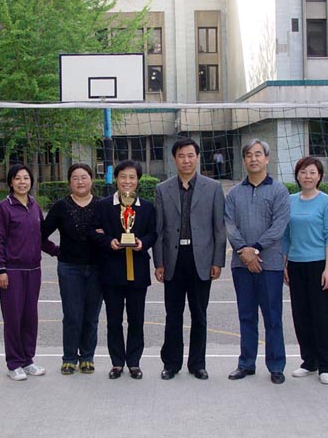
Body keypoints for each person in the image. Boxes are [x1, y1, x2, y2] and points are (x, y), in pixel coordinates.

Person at [154, 138, 226, 381]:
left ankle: (198, 364)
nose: (186, 160)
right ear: (174, 159)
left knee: (199, 315)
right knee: (173, 315)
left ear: (197, 157)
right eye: (181, 156)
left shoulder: (213, 187)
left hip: (201, 260)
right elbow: (159, 230)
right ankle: (171, 364)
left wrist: (217, 261)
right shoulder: (162, 189)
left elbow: (219, 228)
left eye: (190, 155)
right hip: (173, 260)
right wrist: (159, 263)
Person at [224, 139, 290, 385]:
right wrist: (243, 250)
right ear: (244, 160)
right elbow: (229, 224)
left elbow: (279, 226)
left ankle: (276, 365)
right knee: (246, 315)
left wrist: (256, 249)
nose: (254, 159)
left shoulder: (279, 191)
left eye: (258, 154)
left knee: (272, 317)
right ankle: (246, 363)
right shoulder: (234, 193)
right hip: (241, 264)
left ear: (267, 158)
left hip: (270, 265)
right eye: (249, 155)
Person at [88, 160, 157, 380]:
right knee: (114, 320)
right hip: (112, 271)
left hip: (138, 271)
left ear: (138, 180)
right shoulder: (103, 205)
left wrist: (142, 243)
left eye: (132, 177)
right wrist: (109, 241)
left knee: (136, 320)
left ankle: (134, 362)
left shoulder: (147, 207)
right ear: (116, 179)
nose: (127, 181)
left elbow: (153, 233)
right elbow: (93, 232)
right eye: (123, 177)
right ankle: (117, 362)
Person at [0, 164, 58, 381]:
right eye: (17, 178)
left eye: (26, 178)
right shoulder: (4, 207)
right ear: (11, 182)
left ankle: (28, 360)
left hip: (34, 270)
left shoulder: (35, 205)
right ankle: (14, 363)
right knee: (13, 318)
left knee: (30, 317)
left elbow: (41, 238)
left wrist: (59, 251)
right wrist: (1, 269)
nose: (22, 182)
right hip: (12, 271)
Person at [42, 163, 102, 376]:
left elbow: (113, 233)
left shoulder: (102, 205)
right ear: (69, 182)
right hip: (69, 268)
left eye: (84, 177)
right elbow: (41, 235)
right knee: (72, 314)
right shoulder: (60, 206)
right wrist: (55, 251)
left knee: (91, 315)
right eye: (75, 178)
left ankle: (87, 357)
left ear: (91, 179)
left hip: (97, 268)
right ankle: (69, 358)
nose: (80, 181)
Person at [284, 156, 328, 385]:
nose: (307, 176)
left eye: (312, 172)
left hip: (318, 264)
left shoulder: (327, 202)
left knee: (321, 316)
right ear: (297, 175)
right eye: (303, 172)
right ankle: (309, 361)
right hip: (296, 264)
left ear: (319, 176)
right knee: (301, 315)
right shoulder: (289, 201)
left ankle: (325, 365)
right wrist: (285, 264)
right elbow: (286, 236)